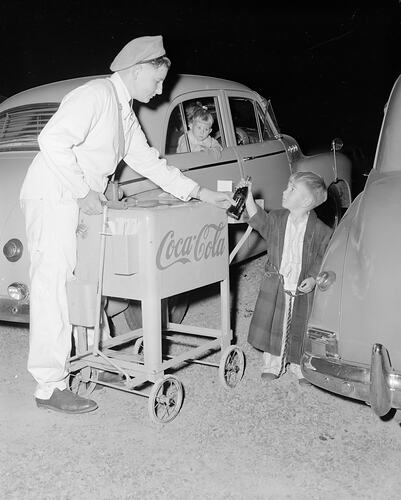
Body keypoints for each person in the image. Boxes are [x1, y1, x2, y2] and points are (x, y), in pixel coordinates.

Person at [19, 35, 232, 414]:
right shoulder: (96, 95)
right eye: (157, 80)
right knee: (53, 287)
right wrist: (85, 192)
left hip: (78, 201)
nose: (161, 89)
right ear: (136, 71)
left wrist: (199, 192)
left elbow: (150, 163)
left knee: (88, 280)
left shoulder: (123, 112)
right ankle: (49, 387)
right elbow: (51, 140)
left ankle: (96, 362)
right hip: (53, 197)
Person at [242, 172, 333, 383]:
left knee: (299, 327)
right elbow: (259, 220)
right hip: (277, 283)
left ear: (307, 201)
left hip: (300, 286)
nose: (284, 191)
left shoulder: (321, 230)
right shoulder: (277, 219)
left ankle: (298, 367)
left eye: (291, 189)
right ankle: (272, 364)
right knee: (275, 324)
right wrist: (247, 197)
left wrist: (313, 278)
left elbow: (323, 257)